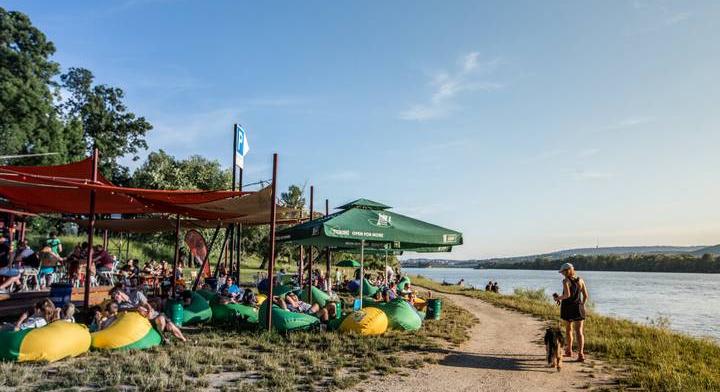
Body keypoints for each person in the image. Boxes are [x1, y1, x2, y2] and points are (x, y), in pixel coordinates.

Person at [553, 263, 589, 362]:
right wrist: (582, 305)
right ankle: (581, 354)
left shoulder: (565, 281)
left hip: (568, 308)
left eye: (563, 272)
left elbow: (567, 295)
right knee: (579, 331)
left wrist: (557, 298)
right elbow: (586, 295)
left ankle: (569, 350)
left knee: (569, 329)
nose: (562, 274)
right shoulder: (580, 280)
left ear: (567, 270)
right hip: (579, 308)